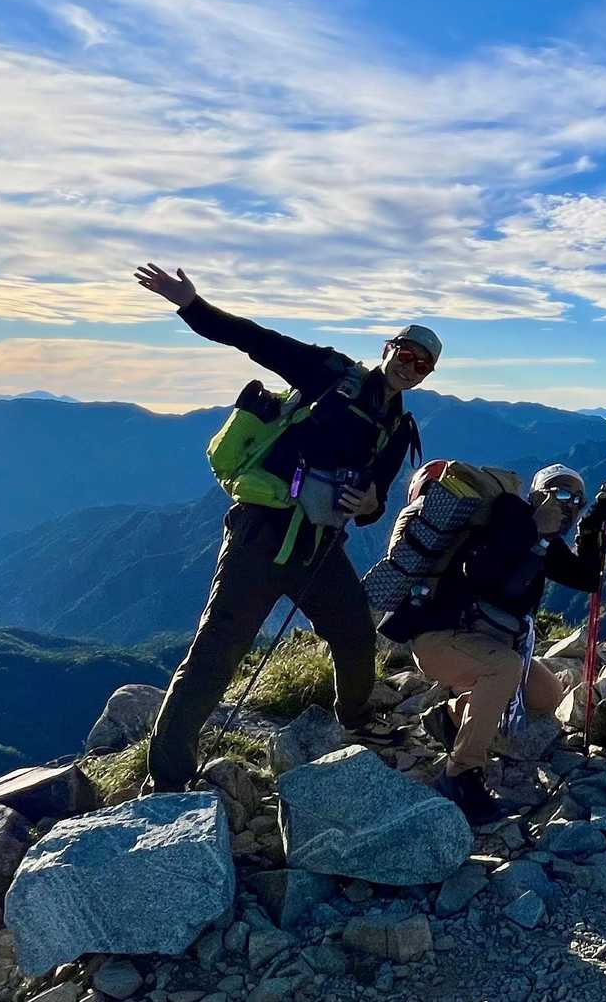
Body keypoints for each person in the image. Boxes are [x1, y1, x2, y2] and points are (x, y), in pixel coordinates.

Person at [133, 262, 438, 793]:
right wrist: (191, 305)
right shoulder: (329, 372)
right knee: (215, 655)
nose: (411, 368)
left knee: (354, 632)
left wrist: (369, 504)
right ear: (387, 347)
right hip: (259, 535)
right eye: (406, 354)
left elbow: (375, 500)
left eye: (423, 365)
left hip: (318, 548)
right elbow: (256, 340)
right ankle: (168, 778)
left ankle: (355, 717)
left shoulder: (397, 428)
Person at [380, 462, 606, 824]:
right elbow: (477, 571)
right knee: (504, 669)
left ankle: (451, 717)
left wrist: (592, 524)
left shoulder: (545, 542)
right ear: (537, 494)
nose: (569, 506)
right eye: (561, 493)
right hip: (440, 638)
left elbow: (586, 579)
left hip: (484, 643)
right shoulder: (508, 517)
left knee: (547, 696)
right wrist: (533, 530)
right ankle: (460, 775)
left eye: (577, 501)